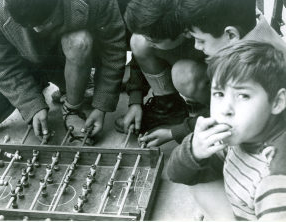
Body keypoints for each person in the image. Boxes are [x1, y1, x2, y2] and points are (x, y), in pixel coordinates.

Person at [0, 0, 126, 141]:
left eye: (45, 22)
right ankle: (39, 85)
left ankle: (73, 104)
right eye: (28, 25)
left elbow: (114, 47)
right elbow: (1, 62)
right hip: (23, 63)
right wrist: (31, 105)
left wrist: (102, 105)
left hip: (67, 56)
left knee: (79, 42)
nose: (38, 30)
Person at [138, 0, 286, 147]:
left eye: (200, 40)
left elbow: (224, 118)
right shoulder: (249, 29)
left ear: (231, 35)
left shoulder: (252, 68)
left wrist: (173, 133)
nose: (196, 46)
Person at [167, 41, 286, 220]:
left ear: (277, 102)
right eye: (219, 94)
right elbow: (176, 174)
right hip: (241, 204)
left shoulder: (275, 182)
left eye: (243, 95)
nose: (225, 109)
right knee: (196, 167)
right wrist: (194, 151)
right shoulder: (243, 132)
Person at [115, 0, 208, 144]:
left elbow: (232, 103)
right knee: (138, 42)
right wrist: (135, 100)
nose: (148, 41)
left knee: (184, 74)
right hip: (186, 45)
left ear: (185, 32)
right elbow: (138, 56)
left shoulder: (213, 32)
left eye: (153, 40)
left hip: (216, 73)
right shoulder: (170, 16)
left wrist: (179, 131)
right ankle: (168, 108)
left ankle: (200, 113)